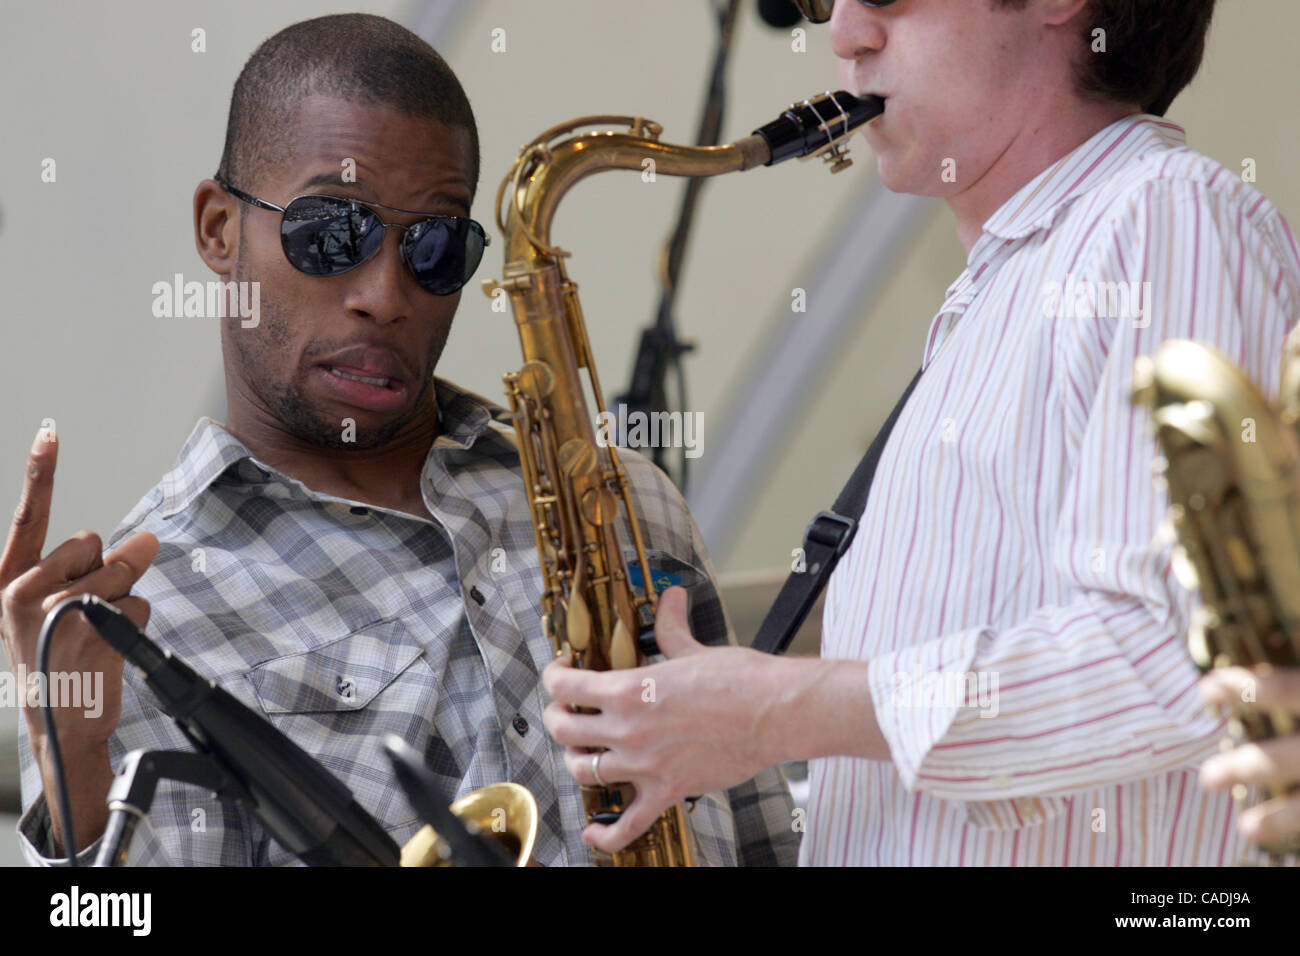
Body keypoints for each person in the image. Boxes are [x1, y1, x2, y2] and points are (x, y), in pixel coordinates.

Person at [2, 13, 798, 867]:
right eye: (331, 231)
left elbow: (770, 840)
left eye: (435, 246)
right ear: (217, 230)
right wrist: (75, 766)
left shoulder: (625, 498)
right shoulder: (136, 621)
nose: (385, 295)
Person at [544, 0, 1300, 865]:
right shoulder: (1005, 283)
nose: (843, 34)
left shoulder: (1166, 216)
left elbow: (1176, 654)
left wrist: (774, 711)